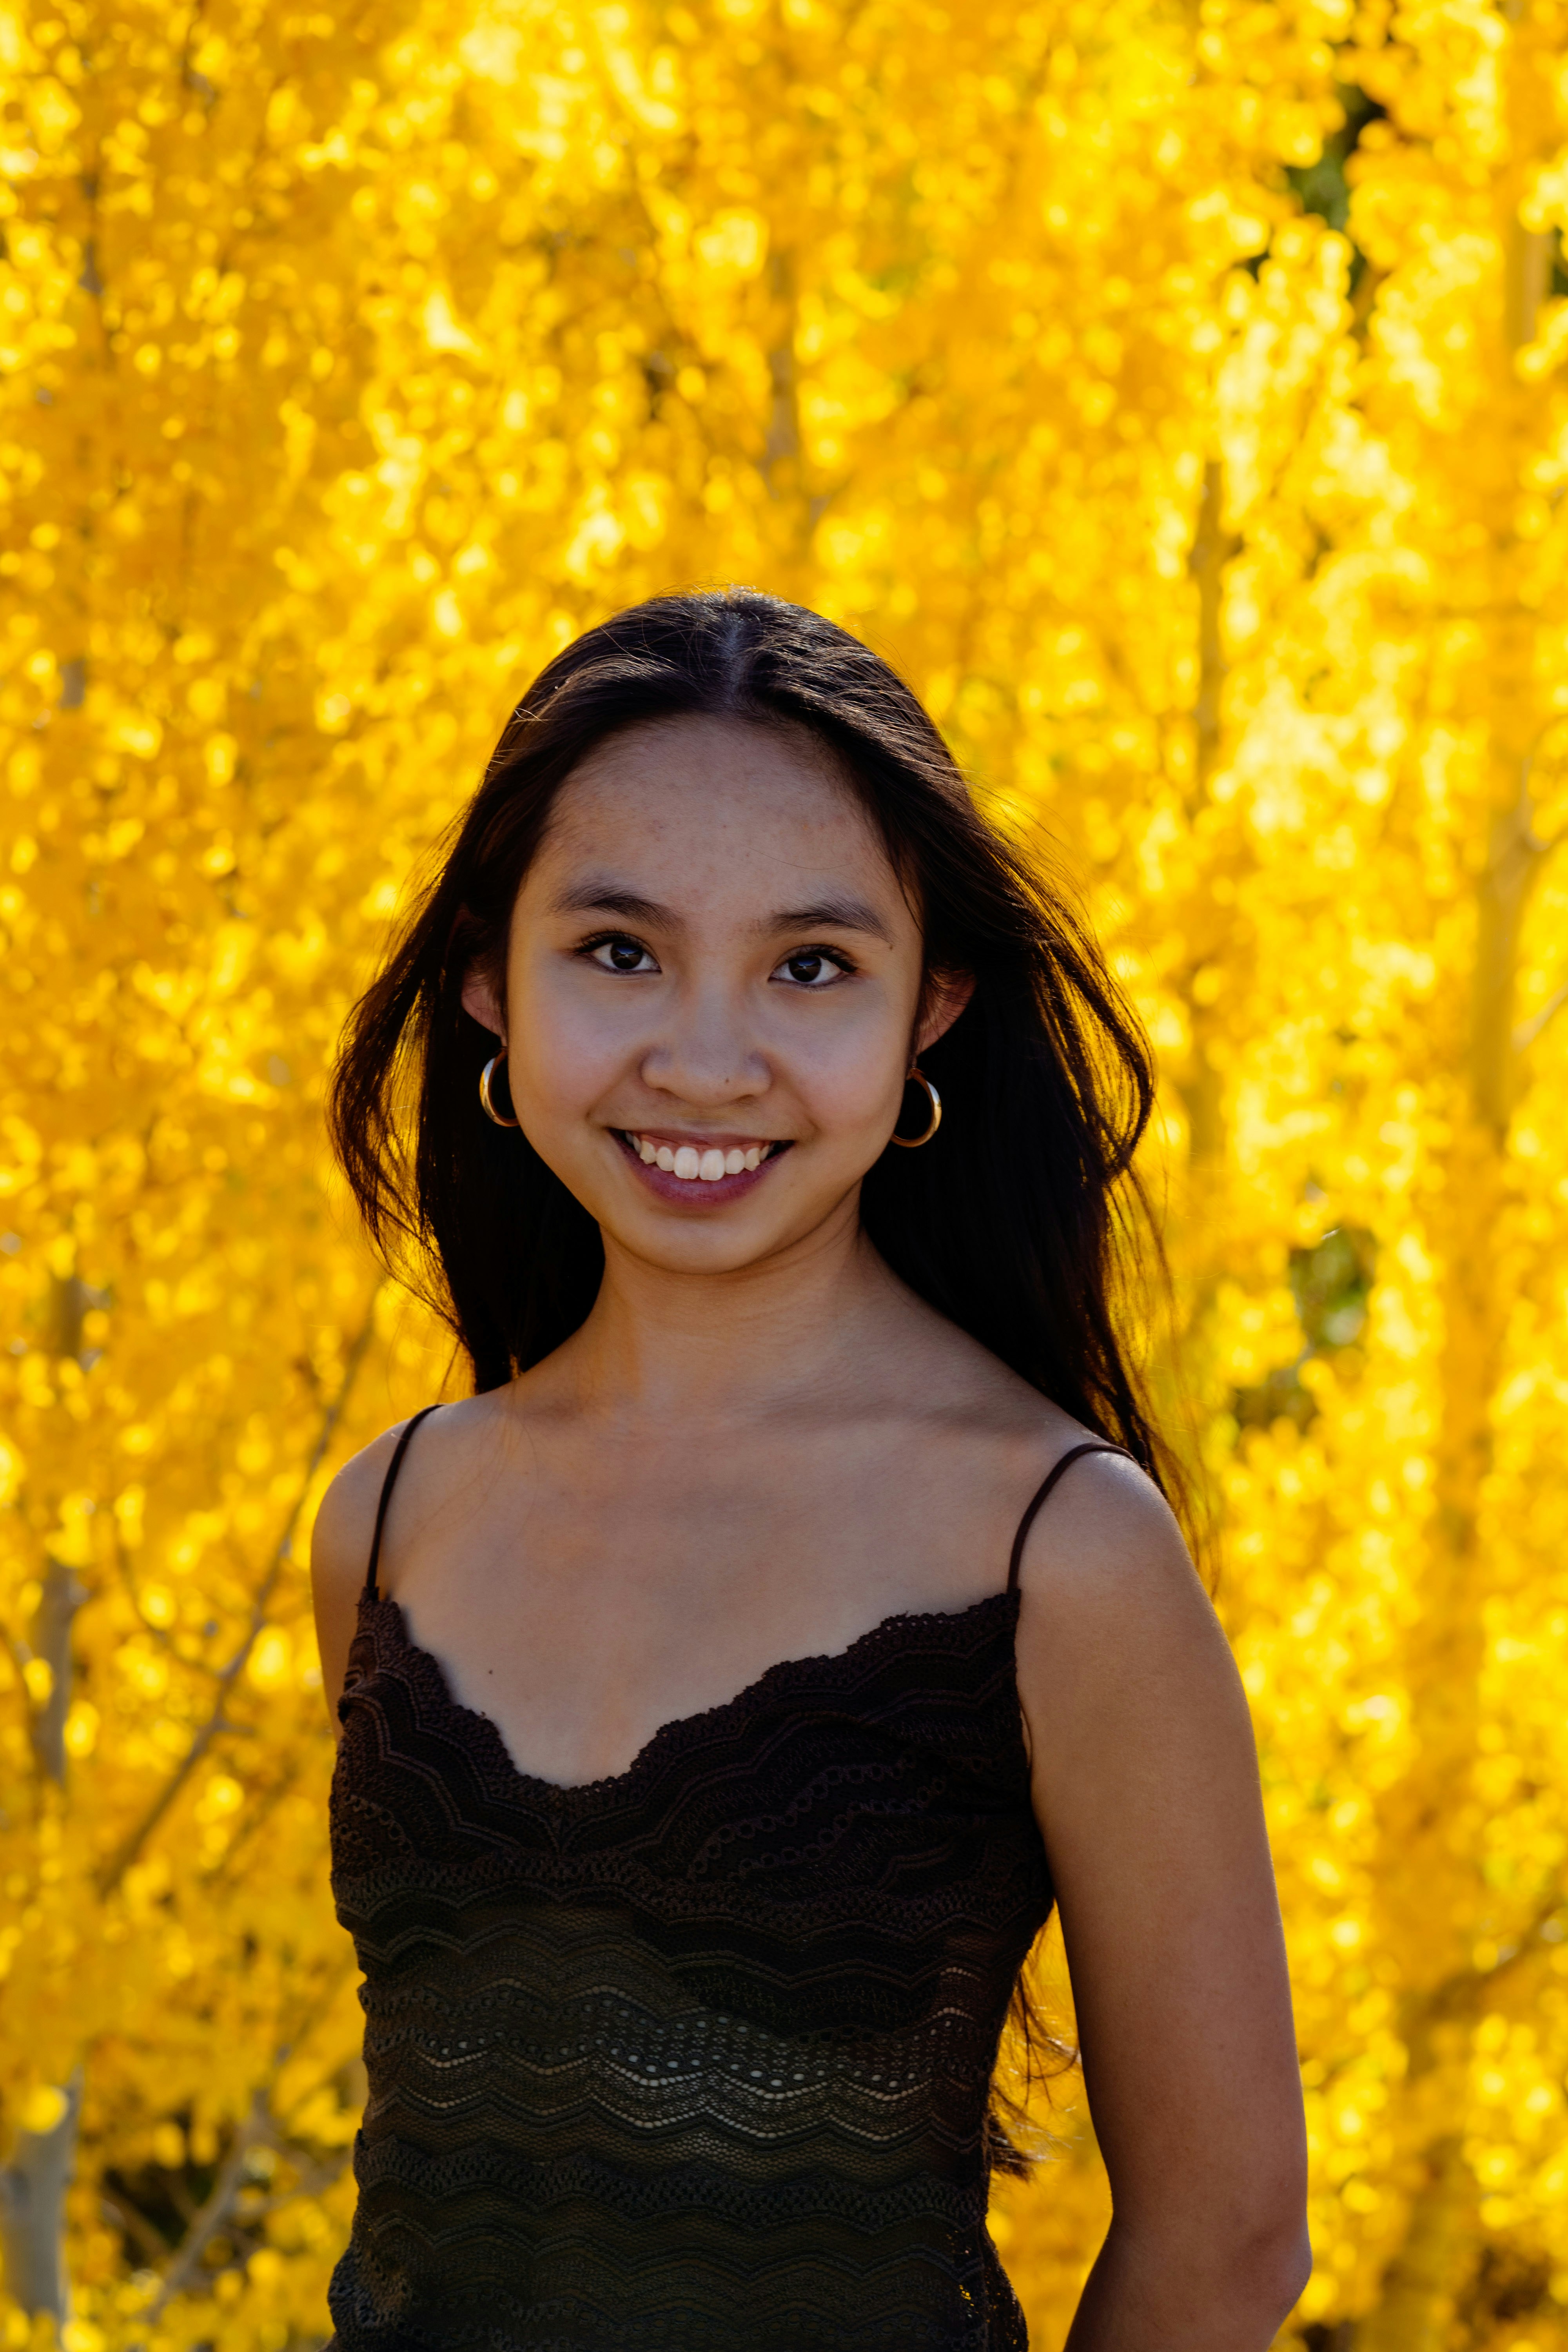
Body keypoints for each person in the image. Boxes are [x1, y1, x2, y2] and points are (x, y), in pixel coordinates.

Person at [312, 590, 1308, 2351]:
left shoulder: (1055, 1550)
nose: (706, 1059)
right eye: (617, 951)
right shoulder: (394, 1516)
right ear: (487, 972)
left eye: (812, 967)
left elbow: (1225, 2246)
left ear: (934, 1007)